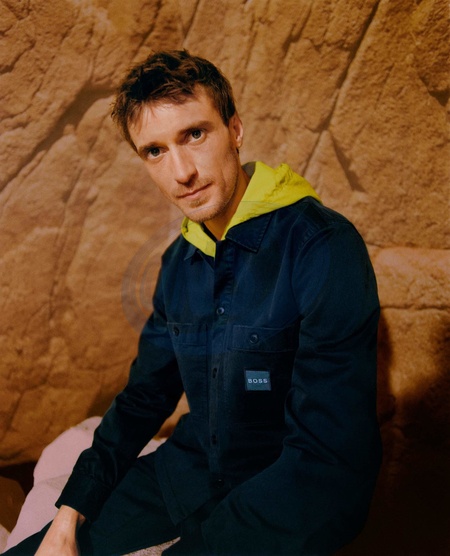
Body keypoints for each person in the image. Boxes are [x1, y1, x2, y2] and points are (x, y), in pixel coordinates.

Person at [5, 49, 381, 556]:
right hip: (189, 470)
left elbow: (325, 457)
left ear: (235, 130)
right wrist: (70, 513)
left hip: (287, 491)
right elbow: (144, 398)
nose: (181, 172)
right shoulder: (179, 261)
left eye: (194, 135)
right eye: (155, 151)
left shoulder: (322, 247)